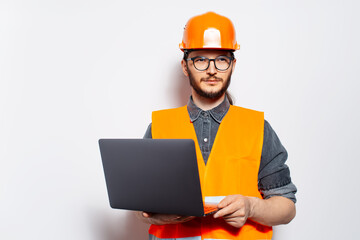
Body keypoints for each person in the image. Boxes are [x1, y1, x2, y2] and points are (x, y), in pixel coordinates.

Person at [136, 11, 297, 240]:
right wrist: (154, 216)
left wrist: (251, 207)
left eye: (221, 59)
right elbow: (140, 207)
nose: (212, 69)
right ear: (185, 66)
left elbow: (287, 206)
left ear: (232, 65)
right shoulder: (159, 127)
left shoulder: (257, 127)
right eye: (201, 59)